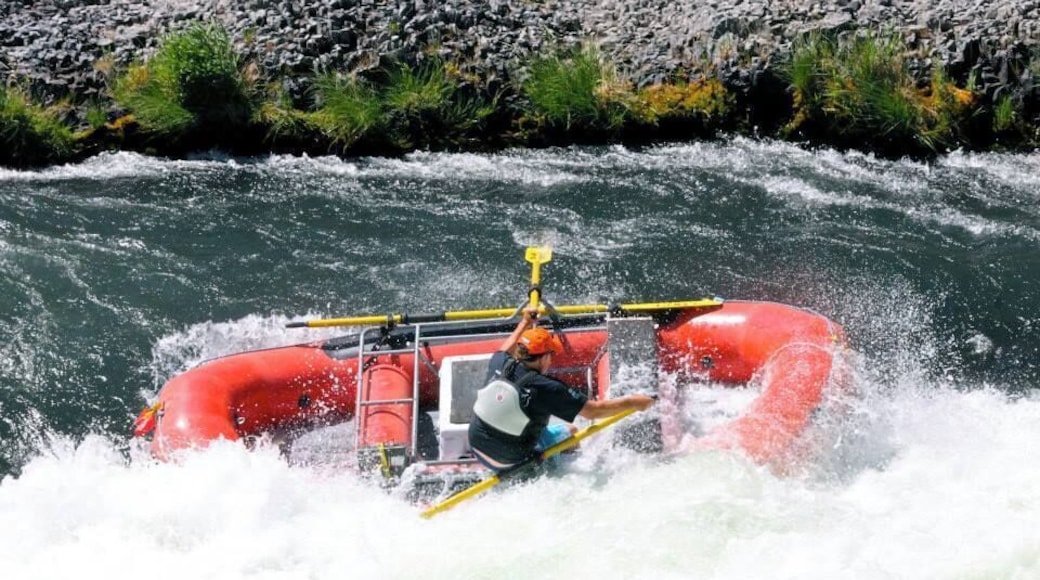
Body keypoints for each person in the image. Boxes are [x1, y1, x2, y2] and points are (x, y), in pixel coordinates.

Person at [467, 308, 656, 477]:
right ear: (544, 358)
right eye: (551, 355)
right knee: (572, 432)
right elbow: (593, 411)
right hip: (513, 461)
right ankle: (557, 471)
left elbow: (505, 347)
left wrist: (524, 323)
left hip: (476, 446)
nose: (551, 360)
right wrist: (634, 403)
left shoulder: (500, 362)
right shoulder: (545, 387)